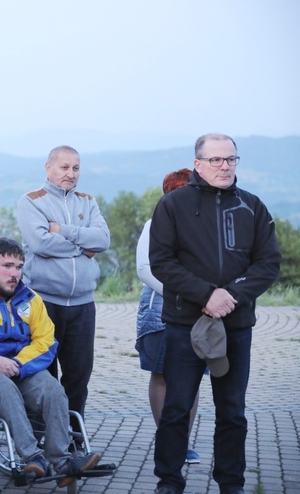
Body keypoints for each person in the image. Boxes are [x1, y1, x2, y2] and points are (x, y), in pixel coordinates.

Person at [150, 134, 281, 494]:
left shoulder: (253, 206)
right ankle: (169, 481)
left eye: (231, 159)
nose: (224, 166)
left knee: (233, 412)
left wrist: (230, 297)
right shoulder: (172, 206)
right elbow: (161, 262)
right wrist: (206, 295)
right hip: (184, 324)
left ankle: (231, 482)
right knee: (176, 408)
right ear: (198, 163)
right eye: (216, 160)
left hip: (237, 325)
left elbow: (268, 263)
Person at [0, 237, 102, 486]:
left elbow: (46, 341)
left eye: (19, 267)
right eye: (7, 266)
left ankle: (62, 461)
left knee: (53, 389)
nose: (15, 274)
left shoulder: (30, 299)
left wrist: (20, 364)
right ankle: (33, 457)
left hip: (20, 369)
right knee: (4, 387)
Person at [16, 145, 110, 434]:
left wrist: (64, 231)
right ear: (49, 168)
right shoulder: (31, 201)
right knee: (43, 374)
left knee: (79, 374)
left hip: (83, 303)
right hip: (44, 302)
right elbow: (41, 243)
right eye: (64, 167)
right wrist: (84, 247)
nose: (71, 174)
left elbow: (103, 240)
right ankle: (41, 437)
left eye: (76, 168)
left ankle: (72, 435)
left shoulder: (88, 201)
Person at [135, 168, 202, 466]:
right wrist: (179, 293)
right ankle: (167, 439)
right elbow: (144, 269)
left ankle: (183, 443)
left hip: (199, 313)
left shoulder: (204, 226)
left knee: (193, 378)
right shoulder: (154, 224)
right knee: (162, 374)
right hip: (160, 311)